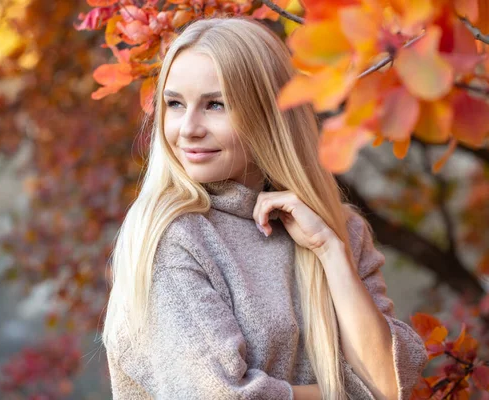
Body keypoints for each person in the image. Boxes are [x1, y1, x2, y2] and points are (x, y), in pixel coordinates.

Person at [101, 16, 428, 400]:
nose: (188, 127)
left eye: (215, 105)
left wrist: (328, 248)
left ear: (269, 115)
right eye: (174, 103)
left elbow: (392, 383)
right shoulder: (173, 237)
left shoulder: (341, 230)